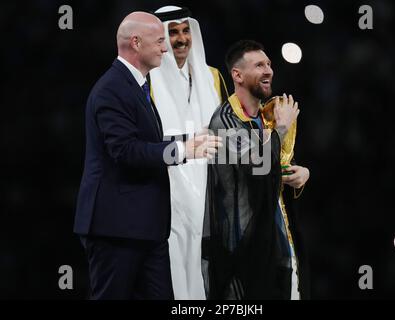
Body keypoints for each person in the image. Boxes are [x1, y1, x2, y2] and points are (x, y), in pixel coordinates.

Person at [73, 11, 221, 300]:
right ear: (136, 43)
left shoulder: (136, 85)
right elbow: (125, 151)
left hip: (146, 228)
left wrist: (188, 142)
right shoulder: (111, 89)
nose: (165, 48)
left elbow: (147, 142)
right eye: (159, 41)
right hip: (116, 228)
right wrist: (182, 150)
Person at [203, 40, 310, 299]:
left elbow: (275, 166)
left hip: (276, 246)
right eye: (259, 65)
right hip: (242, 256)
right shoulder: (225, 120)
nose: (268, 71)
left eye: (269, 64)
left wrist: (300, 174)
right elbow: (258, 166)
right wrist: (281, 130)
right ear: (237, 75)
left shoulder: (266, 117)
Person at [148, 5, 228, 300]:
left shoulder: (213, 76)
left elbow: (225, 132)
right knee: (173, 270)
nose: (181, 39)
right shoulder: (147, 80)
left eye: (185, 31)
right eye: (172, 32)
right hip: (165, 189)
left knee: (205, 271)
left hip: (208, 189)